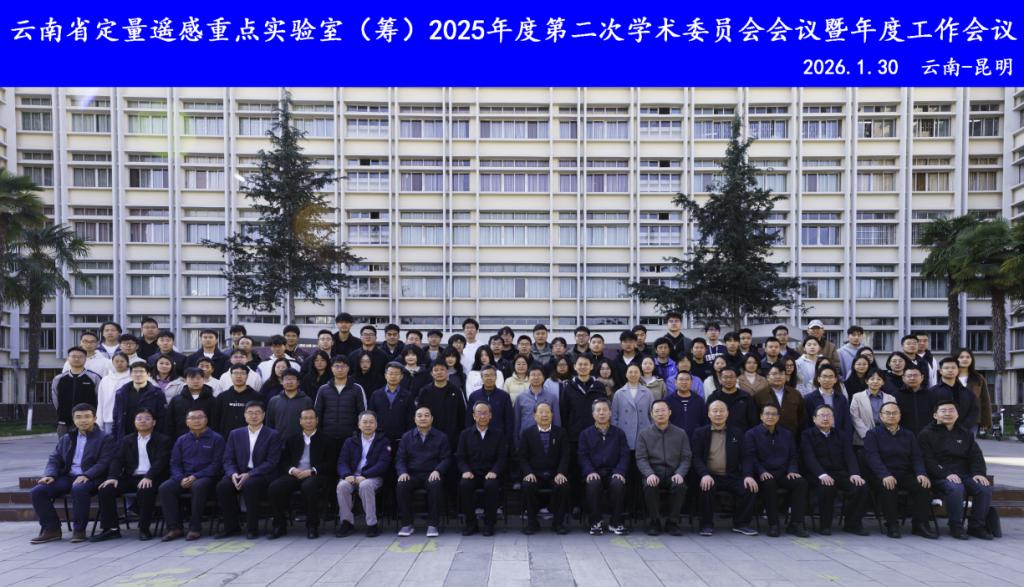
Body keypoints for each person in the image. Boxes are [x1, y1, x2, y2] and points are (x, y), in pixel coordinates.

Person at [29, 403, 114, 544]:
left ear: (95, 418)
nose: (83, 420)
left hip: (92, 478)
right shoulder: (67, 438)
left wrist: (87, 475)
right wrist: (50, 475)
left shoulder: (105, 438)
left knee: (79, 489)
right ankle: (52, 529)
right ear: (73, 420)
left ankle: (79, 530)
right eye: (78, 417)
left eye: (87, 416)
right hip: (68, 477)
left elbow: (104, 462)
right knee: (38, 491)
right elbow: (54, 458)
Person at [918, 401, 995, 540]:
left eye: (951, 410)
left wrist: (978, 473)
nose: (947, 413)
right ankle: (955, 526)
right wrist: (946, 474)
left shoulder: (965, 433)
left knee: (984, 488)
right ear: (935, 415)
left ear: (957, 414)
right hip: (939, 476)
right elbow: (928, 460)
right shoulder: (926, 434)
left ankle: (976, 526)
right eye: (943, 411)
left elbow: (976, 456)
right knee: (955, 488)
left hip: (965, 475)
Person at [92, 408, 171, 542]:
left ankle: (144, 528)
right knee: (106, 489)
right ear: (134, 422)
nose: (143, 421)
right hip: (131, 477)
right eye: (139, 419)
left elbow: (161, 461)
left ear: (154, 422)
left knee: (145, 489)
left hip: (154, 477)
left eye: (147, 418)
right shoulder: (127, 440)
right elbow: (117, 460)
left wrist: (149, 476)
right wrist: (112, 477)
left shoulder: (163, 440)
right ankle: (111, 529)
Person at [862, 402, 938, 539]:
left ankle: (920, 525)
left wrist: (921, 473)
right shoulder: (872, 434)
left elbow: (916, 457)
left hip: (904, 473)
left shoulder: (908, 434)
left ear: (900, 415)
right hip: (882, 475)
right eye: (888, 413)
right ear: (880, 416)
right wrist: (884, 474)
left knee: (923, 485)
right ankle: (892, 524)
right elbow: (872, 457)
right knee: (889, 486)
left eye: (894, 413)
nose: (891, 415)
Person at [215, 401, 282, 539]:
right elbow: (228, 459)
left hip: (262, 474)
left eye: (257, 413)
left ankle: (252, 528)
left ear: (263, 415)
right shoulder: (235, 434)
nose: (254, 416)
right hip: (238, 472)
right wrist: (233, 473)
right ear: (244, 415)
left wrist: (250, 474)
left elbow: (271, 462)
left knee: (250, 485)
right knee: (223, 486)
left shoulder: (272, 434)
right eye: (250, 413)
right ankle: (231, 526)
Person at [691, 400, 758, 537]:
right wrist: (704, 474)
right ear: (709, 414)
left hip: (731, 475)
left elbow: (746, 457)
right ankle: (706, 524)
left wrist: (748, 475)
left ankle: (741, 524)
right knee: (706, 487)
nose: (718, 414)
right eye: (715, 411)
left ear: (727, 414)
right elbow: (696, 457)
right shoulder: (700, 433)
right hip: (710, 475)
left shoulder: (737, 432)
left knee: (749, 488)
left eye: (721, 411)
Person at [268, 408, 337, 539]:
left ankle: (312, 526)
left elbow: (331, 463)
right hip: (296, 474)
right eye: (305, 418)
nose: (308, 421)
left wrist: (312, 471)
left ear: (317, 420)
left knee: (308, 486)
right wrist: (292, 470)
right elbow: (283, 461)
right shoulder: (292, 439)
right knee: (275, 487)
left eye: (311, 418)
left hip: (316, 475)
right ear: (300, 421)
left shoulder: (327, 439)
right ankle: (279, 525)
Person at [800, 405, 869, 536]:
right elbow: (809, 457)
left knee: (861, 487)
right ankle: (825, 525)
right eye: (822, 415)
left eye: (829, 416)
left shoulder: (841, 435)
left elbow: (849, 455)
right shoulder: (807, 435)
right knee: (827, 486)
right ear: (814, 419)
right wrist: (822, 475)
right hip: (817, 474)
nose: (825, 418)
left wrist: (854, 473)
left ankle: (852, 524)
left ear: (833, 419)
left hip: (839, 473)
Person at [158, 409, 225, 541]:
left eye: (200, 417)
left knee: (198, 486)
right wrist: (181, 478)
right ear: (187, 422)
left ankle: (195, 528)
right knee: (165, 488)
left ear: (206, 420)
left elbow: (217, 464)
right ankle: (174, 528)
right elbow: (174, 463)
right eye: (192, 418)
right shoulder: (181, 440)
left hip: (206, 477)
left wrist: (196, 476)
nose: (196, 421)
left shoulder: (217, 439)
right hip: (183, 477)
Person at [743, 404, 809, 538]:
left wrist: (792, 470)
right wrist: (761, 471)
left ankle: (795, 523)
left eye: (774, 414)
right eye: (767, 414)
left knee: (800, 482)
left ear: (778, 417)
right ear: (761, 416)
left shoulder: (786, 434)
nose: (770, 417)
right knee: (769, 483)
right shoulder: (751, 434)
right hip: (763, 474)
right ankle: (773, 524)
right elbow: (750, 457)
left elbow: (793, 455)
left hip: (783, 473)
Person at [636, 400, 691, 536]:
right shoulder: (644, 434)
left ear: (669, 412)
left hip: (674, 473)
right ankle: (654, 521)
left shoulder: (680, 433)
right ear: (651, 414)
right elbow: (641, 458)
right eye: (657, 411)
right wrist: (649, 474)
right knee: (650, 485)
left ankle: (672, 522)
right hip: (654, 473)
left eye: (663, 410)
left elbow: (686, 457)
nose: (660, 414)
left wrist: (680, 473)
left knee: (679, 486)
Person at [395, 407, 451, 538]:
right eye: (419, 416)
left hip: (432, 473)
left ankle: (433, 524)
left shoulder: (441, 437)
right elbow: (400, 459)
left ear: (432, 419)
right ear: (415, 419)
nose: (423, 418)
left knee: (435, 485)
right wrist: (402, 472)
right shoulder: (407, 437)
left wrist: (438, 470)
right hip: (412, 474)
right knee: (402, 485)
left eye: (426, 415)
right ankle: (407, 524)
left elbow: (446, 458)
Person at [336, 411, 392, 538]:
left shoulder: (383, 441)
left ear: (376, 424)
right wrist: (346, 474)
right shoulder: (350, 441)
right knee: (342, 486)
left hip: (372, 476)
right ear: (359, 424)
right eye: (365, 422)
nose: (368, 425)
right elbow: (342, 461)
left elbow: (383, 464)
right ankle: (346, 522)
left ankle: (372, 524)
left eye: (371, 422)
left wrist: (365, 475)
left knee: (365, 485)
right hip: (351, 475)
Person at [579, 398, 630, 536]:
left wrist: (620, 471)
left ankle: (616, 522)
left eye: (605, 410)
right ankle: (595, 521)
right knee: (593, 482)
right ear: (593, 414)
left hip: (613, 471)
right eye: (598, 410)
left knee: (618, 483)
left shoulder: (619, 433)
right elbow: (582, 456)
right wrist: (589, 471)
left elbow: (625, 455)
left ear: (610, 413)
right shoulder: (585, 434)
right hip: (594, 471)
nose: (601, 413)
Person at [457, 402, 508, 536]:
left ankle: (489, 523)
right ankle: (471, 523)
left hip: (490, 473)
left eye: (485, 413)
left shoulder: (498, 434)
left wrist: (494, 471)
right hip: (471, 473)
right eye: (479, 413)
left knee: (491, 485)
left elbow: (502, 457)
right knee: (464, 485)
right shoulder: (465, 434)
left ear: (490, 416)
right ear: (474, 416)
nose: (482, 416)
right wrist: (465, 470)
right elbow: (460, 457)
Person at [519, 402, 570, 535]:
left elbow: (565, 455)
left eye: (547, 412)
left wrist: (561, 472)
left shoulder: (561, 432)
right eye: (541, 412)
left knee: (563, 485)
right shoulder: (527, 433)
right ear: (534, 415)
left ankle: (558, 523)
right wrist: (528, 473)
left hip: (554, 474)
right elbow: (522, 457)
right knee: (527, 485)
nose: (544, 415)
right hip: (535, 474)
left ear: (552, 415)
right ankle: (532, 523)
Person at [314, 355, 368, 461]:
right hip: (328, 435)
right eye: (337, 366)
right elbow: (317, 413)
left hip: (350, 437)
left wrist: (358, 433)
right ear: (331, 368)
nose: (340, 369)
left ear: (348, 368)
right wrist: (319, 434)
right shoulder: (323, 389)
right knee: (329, 464)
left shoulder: (357, 389)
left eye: (343, 366)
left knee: (349, 464)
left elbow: (363, 413)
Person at [417, 359, 468, 454]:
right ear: (431, 373)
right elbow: (419, 415)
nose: (439, 372)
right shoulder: (425, 391)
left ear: (447, 372)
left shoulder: (455, 391)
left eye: (442, 369)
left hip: (452, 437)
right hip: (430, 436)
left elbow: (462, 415)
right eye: (436, 370)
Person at [111, 361, 167, 442]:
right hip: (126, 436)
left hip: (150, 436)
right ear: (130, 375)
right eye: (135, 372)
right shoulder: (121, 393)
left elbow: (162, 418)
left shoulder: (157, 393)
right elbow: (116, 417)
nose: (138, 374)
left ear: (148, 374)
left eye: (141, 371)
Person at [51, 347, 101, 437]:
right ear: (68, 358)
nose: (77, 359)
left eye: (80, 357)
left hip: (87, 423)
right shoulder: (59, 379)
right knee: (65, 445)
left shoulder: (94, 378)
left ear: (85, 359)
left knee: (87, 445)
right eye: (73, 356)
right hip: (64, 423)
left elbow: (100, 399)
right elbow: (55, 399)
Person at [369, 362, 416, 450]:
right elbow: (371, 416)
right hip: (380, 439)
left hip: (401, 440)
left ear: (401, 376)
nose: (393, 376)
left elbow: (411, 419)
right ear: (385, 375)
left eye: (396, 374)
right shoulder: (376, 394)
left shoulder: (407, 396)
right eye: (390, 373)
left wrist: (407, 437)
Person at [612, 363, 654, 458]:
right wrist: (616, 433)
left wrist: (652, 430)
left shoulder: (647, 392)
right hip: (624, 432)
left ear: (640, 374)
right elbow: (614, 416)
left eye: (636, 372)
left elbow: (652, 414)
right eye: (630, 372)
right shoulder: (619, 393)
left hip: (644, 432)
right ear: (626, 374)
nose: (633, 374)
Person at [513, 366, 561, 448]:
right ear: (528, 378)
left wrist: (557, 439)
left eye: (539, 375)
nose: (536, 377)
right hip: (525, 438)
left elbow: (556, 420)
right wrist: (516, 442)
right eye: (533, 375)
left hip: (546, 438)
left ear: (543, 378)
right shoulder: (520, 397)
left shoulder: (552, 397)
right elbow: (516, 421)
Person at [930, 357, 980, 434]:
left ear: (958, 371)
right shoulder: (932, 392)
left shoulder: (967, 392)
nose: (950, 370)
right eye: (946, 368)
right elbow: (928, 412)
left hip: (963, 432)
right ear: (940, 371)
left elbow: (974, 411)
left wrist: (963, 427)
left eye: (953, 368)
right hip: (938, 432)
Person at [752, 365, 806, 436]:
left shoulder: (795, 394)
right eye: (774, 374)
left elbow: (802, 417)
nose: (778, 376)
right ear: (767, 377)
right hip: (766, 436)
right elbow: (754, 419)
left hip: (792, 435)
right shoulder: (759, 395)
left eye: (781, 374)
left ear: (786, 377)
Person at [165, 368, 217, 439]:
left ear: (203, 380)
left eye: (198, 378)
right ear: (185, 380)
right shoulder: (176, 400)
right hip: (181, 439)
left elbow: (215, 423)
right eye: (191, 378)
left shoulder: (212, 400)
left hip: (206, 439)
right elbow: (169, 423)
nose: (195, 381)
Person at [214, 365, 265, 437]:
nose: (239, 376)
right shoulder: (222, 397)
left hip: (251, 437)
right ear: (231, 376)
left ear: (247, 376)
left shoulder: (257, 397)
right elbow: (216, 420)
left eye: (242, 373)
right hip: (226, 437)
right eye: (235, 373)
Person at [465, 365, 515, 438]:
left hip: (499, 438)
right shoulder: (474, 396)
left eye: (492, 375)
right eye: (486, 375)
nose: (489, 378)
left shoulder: (504, 396)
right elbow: (469, 420)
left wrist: (506, 439)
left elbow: (509, 420)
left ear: (496, 377)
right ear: (482, 378)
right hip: (478, 437)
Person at [804, 365, 853, 437]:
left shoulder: (841, 398)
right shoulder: (809, 398)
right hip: (816, 439)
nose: (827, 380)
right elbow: (806, 423)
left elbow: (847, 421)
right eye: (824, 376)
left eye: (830, 377)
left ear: (835, 380)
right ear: (818, 379)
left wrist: (846, 438)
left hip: (838, 438)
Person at [850, 370, 895, 447]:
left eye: (879, 379)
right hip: (863, 439)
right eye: (872, 379)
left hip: (886, 437)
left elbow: (893, 417)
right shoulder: (857, 397)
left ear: (883, 382)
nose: (875, 381)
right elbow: (855, 417)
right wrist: (867, 435)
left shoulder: (891, 398)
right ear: (866, 381)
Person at [705, 367, 758, 431]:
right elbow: (706, 419)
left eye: (731, 377)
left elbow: (753, 419)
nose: (729, 380)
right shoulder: (713, 397)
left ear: (736, 379)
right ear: (720, 379)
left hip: (742, 434)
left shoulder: (745, 397)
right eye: (725, 377)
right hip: (719, 433)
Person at [266, 369, 314, 439]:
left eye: (292, 379)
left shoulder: (306, 401)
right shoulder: (274, 401)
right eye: (286, 379)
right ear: (281, 382)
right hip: (278, 441)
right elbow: (269, 424)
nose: (289, 382)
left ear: (298, 382)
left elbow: (311, 423)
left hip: (300, 441)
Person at [957, 348, 992, 435]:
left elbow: (985, 400)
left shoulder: (978, 378)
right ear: (956, 359)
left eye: (968, 357)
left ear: (972, 359)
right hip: (953, 419)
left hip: (973, 419)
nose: (965, 359)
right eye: (961, 357)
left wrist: (986, 421)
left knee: (969, 442)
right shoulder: (951, 377)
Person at [95, 353, 131, 434]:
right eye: (116, 361)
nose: (119, 363)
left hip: (127, 419)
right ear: (112, 363)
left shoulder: (132, 378)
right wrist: (99, 420)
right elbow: (101, 401)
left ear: (127, 362)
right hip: (108, 418)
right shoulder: (106, 379)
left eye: (122, 361)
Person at [893, 366, 935, 435]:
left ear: (922, 377)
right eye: (909, 376)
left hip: (928, 435)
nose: (912, 378)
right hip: (903, 435)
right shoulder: (895, 395)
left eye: (915, 375)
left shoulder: (931, 395)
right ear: (903, 378)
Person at [666, 371, 708, 439]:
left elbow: (704, 422)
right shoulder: (668, 401)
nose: (684, 382)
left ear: (691, 382)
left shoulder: (699, 400)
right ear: (675, 382)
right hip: (674, 439)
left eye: (687, 379)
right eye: (681, 379)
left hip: (695, 439)